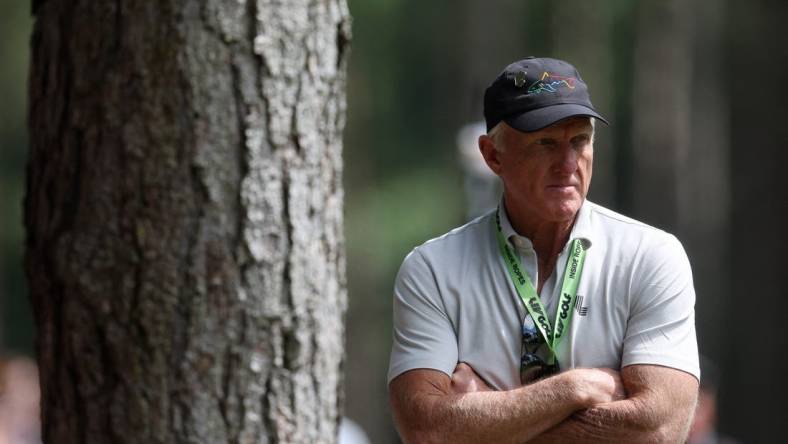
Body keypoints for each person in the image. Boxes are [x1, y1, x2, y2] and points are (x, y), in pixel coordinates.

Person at [387, 57, 700, 443]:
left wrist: (485, 415)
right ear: (492, 156)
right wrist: (575, 389)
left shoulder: (651, 256)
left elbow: (659, 428)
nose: (568, 163)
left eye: (580, 141)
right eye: (545, 144)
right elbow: (427, 429)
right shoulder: (432, 269)